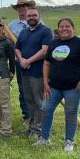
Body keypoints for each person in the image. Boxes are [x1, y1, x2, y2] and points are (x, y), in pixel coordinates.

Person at [36, 18, 80, 152]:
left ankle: (69, 142)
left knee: (70, 113)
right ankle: (44, 139)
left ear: (73, 28)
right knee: (46, 109)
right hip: (54, 86)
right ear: (58, 29)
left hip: (73, 87)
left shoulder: (79, 43)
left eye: (67, 26)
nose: (64, 29)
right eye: (61, 27)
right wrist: (45, 82)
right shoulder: (53, 43)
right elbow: (47, 63)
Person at [15, 8, 53, 139]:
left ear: (39, 16)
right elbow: (17, 48)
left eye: (34, 15)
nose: (31, 17)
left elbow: (45, 50)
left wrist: (28, 61)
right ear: (26, 17)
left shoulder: (46, 31)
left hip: (38, 73)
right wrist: (21, 60)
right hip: (25, 73)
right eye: (29, 15)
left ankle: (38, 129)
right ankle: (32, 127)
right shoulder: (24, 32)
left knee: (39, 101)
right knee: (29, 100)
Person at [8, 0, 36, 125]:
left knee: (36, 88)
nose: (21, 9)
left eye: (24, 6)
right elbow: (7, 41)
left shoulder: (38, 22)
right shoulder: (11, 26)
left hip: (35, 61)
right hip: (18, 61)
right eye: (19, 7)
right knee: (23, 88)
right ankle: (27, 115)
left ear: (29, 7)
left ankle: (37, 115)